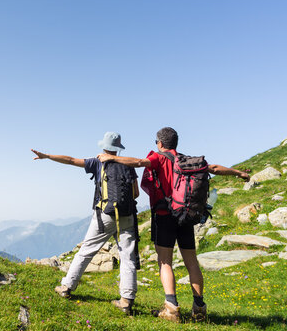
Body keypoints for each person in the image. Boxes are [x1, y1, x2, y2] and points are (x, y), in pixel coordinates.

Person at [98, 127, 250, 322]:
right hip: (186, 215)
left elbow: (137, 162)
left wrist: (111, 158)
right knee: (191, 261)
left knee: (165, 261)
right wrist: (239, 173)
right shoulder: (186, 161)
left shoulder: (158, 157)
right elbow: (214, 169)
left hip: (164, 215)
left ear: (160, 143)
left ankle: (171, 309)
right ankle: (199, 308)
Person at [32, 131, 140, 315]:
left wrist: (48, 156)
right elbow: (135, 193)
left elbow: (71, 160)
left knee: (86, 251)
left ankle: (66, 287)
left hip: (104, 215)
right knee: (127, 257)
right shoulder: (128, 164)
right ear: (118, 148)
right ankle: (126, 301)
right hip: (127, 216)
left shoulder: (97, 162)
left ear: (104, 146)